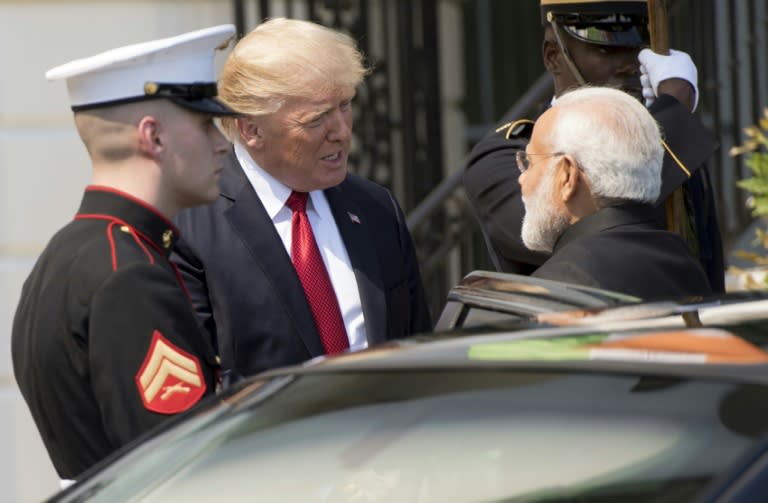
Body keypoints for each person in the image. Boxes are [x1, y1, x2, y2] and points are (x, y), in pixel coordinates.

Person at [12, 25, 239, 480]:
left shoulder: (68, 253)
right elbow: (180, 474)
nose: (223, 142)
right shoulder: (129, 275)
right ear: (152, 137)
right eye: (204, 123)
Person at [171, 18, 432, 380]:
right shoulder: (191, 226)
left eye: (345, 105)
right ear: (252, 129)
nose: (341, 131)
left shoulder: (375, 208)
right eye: (316, 119)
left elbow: (419, 352)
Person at [463, 0, 725, 292]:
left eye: (639, 50)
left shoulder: (668, 137)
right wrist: (674, 106)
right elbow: (568, 235)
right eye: (607, 49)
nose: (630, 65)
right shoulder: (510, 155)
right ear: (552, 56)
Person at [518, 86, 712, 299]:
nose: (522, 178)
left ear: (567, 176)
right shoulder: (683, 262)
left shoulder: (554, 292)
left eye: (530, 162)